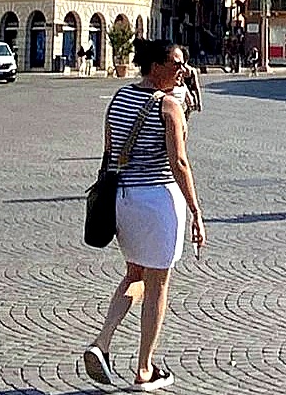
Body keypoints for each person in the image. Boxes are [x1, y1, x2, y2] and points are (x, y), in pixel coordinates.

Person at [83, 40, 203, 392]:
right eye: (176, 64)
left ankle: (102, 342)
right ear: (155, 66)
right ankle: (145, 369)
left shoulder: (119, 98)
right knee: (158, 284)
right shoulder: (168, 106)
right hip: (157, 201)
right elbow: (179, 163)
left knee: (135, 273)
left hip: (123, 200)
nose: (182, 71)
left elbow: (108, 150)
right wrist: (195, 210)